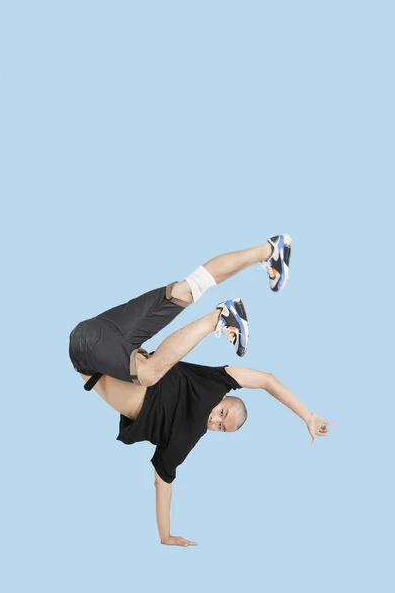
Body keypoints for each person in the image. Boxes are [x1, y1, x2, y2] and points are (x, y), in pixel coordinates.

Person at [69, 234, 333, 547]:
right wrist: (308, 415)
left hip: (94, 349)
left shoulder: (184, 440)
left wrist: (165, 535)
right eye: (223, 413)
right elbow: (266, 380)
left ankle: (254, 273)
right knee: (182, 307)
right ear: (224, 399)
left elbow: (163, 481)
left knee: (181, 304)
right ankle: (250, 276)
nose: (216, 420)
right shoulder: (214, 384)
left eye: (222, 427)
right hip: (105, 338)